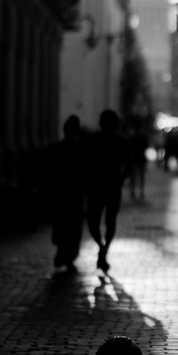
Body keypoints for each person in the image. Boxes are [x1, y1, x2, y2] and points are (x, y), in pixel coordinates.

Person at [85, 109, 132, 272]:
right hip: (107, 186)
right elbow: (129, 166)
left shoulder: (100, 140)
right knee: (103, 222)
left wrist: (120, 179)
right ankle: (103, 249)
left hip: (102, 186)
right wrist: (120, 179)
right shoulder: (117, 141)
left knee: (99, 222)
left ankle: (102, 249)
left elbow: (129, 166)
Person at [46, 115, 85, 271]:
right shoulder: (80, 149)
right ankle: (68, 256)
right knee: (72, 226)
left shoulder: (56, 149)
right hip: (73, 194)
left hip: (62, 193)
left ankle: (63, 252)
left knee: (62, 224)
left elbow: (50, 172)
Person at [128, 122, 149, 200]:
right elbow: (146, 145)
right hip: (140, 158)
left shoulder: (132, 137)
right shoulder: (143, 137)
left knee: (134, 176)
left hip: (134, 158)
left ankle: (133, 190)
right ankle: (141, 190)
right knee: (141, 175)